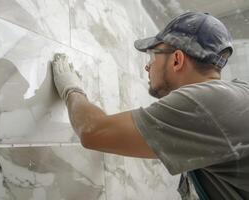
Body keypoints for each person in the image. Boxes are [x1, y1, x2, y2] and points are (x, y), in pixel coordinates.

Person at [51, 12, 249, 199]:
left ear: (177, 60)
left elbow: (92, 131)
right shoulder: (232, 96)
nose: (147, 66)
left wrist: (71, 89)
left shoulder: (207, 103)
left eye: (153, 56)